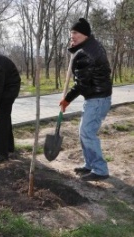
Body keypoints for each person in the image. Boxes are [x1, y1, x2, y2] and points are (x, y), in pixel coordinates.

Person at [59, 18, 112, 181]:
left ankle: (100, 169)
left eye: (75, 33)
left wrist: (67, 99)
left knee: (87, 132)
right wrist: (75, 50)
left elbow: (81, 84)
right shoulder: (89, 47)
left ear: (84, 34)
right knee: (84, 132)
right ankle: (90, 164)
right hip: (97, 96)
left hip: (97, 98)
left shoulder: (86, 53)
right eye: (71, 33)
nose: (71, 36)